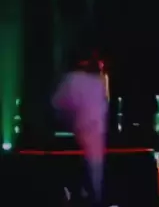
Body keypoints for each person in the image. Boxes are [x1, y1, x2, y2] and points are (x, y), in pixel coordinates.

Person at [52, 54, 108, 206]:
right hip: (88, 141)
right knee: (92, 186)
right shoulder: (90, 82)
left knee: (84, 184)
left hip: (82, 140)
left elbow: (57, 106)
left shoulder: (74, 80)